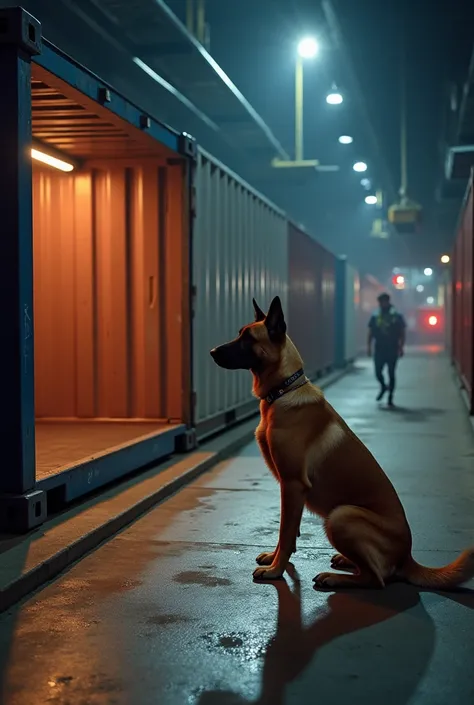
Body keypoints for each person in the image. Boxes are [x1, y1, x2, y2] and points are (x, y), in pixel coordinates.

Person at [367, 292, 406, 407]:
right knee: (378, 372)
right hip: (379, 348)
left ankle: (390, 397)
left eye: (383, 302)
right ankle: (384, 386)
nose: (382, 304)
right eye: (380, 302)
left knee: (391, 373)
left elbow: (402, 333)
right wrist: (369, 347)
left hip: (392, 348)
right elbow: (370, 332)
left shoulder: (396, 316)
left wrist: (401, 347)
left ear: (388, 302)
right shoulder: (375, 315)